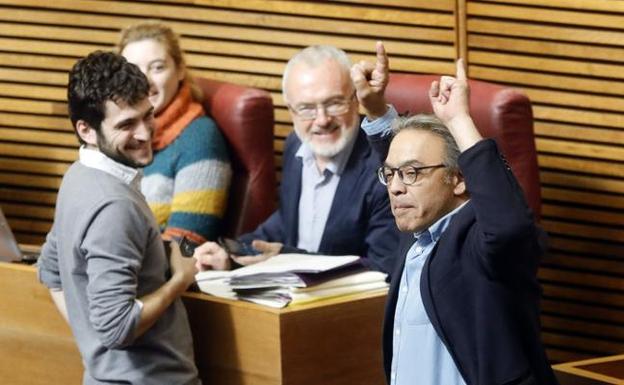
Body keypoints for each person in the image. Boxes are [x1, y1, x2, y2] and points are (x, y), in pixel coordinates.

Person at [356, 45, 558, 384]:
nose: (395, 188)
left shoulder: (479, 245)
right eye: (389, 175)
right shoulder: (416, 229)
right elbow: (402, 161)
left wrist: (460, 122)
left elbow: (509, 226)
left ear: (460, 178)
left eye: (412, 174)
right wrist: (377, 112)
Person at [37, 51, 201, 385]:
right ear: (86, 130)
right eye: (126, 124)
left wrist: (96, 348)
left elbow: (50, 271)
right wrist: (178, 281)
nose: (145, 133)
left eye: (147, 115)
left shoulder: (77, 177)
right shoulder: (115, 206)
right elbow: (116, 328)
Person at [195, 45, 399, 274]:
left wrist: (288, 259)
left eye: (334, 103)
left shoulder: (385, 167)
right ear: (291, 110)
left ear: (355, 99)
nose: (321, 120)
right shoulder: (296, 145)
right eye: (306, 108)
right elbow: (284, 225)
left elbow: (383, 270)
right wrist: (231, 254)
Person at [118, 21, 231, 246]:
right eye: (132, 70)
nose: (143, 80)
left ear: (180, 70)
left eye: (157, 67)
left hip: (151, 275)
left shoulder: (200, 138)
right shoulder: (115, 133)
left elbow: (187, 242)